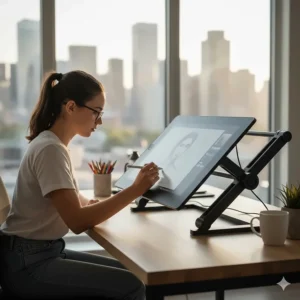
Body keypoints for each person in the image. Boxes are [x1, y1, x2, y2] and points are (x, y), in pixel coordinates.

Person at [0, 70, 160, 299]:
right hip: (28, 265)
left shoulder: (53, 144)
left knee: (133, 275)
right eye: (96, 112)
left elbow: (66, 197)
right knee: (131, 285)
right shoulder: (50, 149)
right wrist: (135, 190)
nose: (100, 121)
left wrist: (86, 203)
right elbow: (77, 222)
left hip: (38, 253)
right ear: (71, 107)